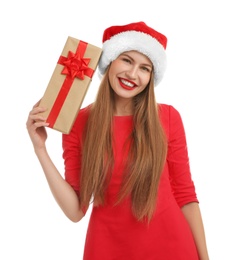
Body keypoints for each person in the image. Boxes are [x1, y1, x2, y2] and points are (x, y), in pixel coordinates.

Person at [26, 21, 209, 260]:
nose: (133, 75)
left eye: (145, 68)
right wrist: (40, 149)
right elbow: (75, 211)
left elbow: (185, 197)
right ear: (109, 62)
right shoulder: (78, 123)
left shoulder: (168, 118)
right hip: (107, 249)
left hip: (173, 247)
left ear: (151, 77)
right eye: (126, 60)